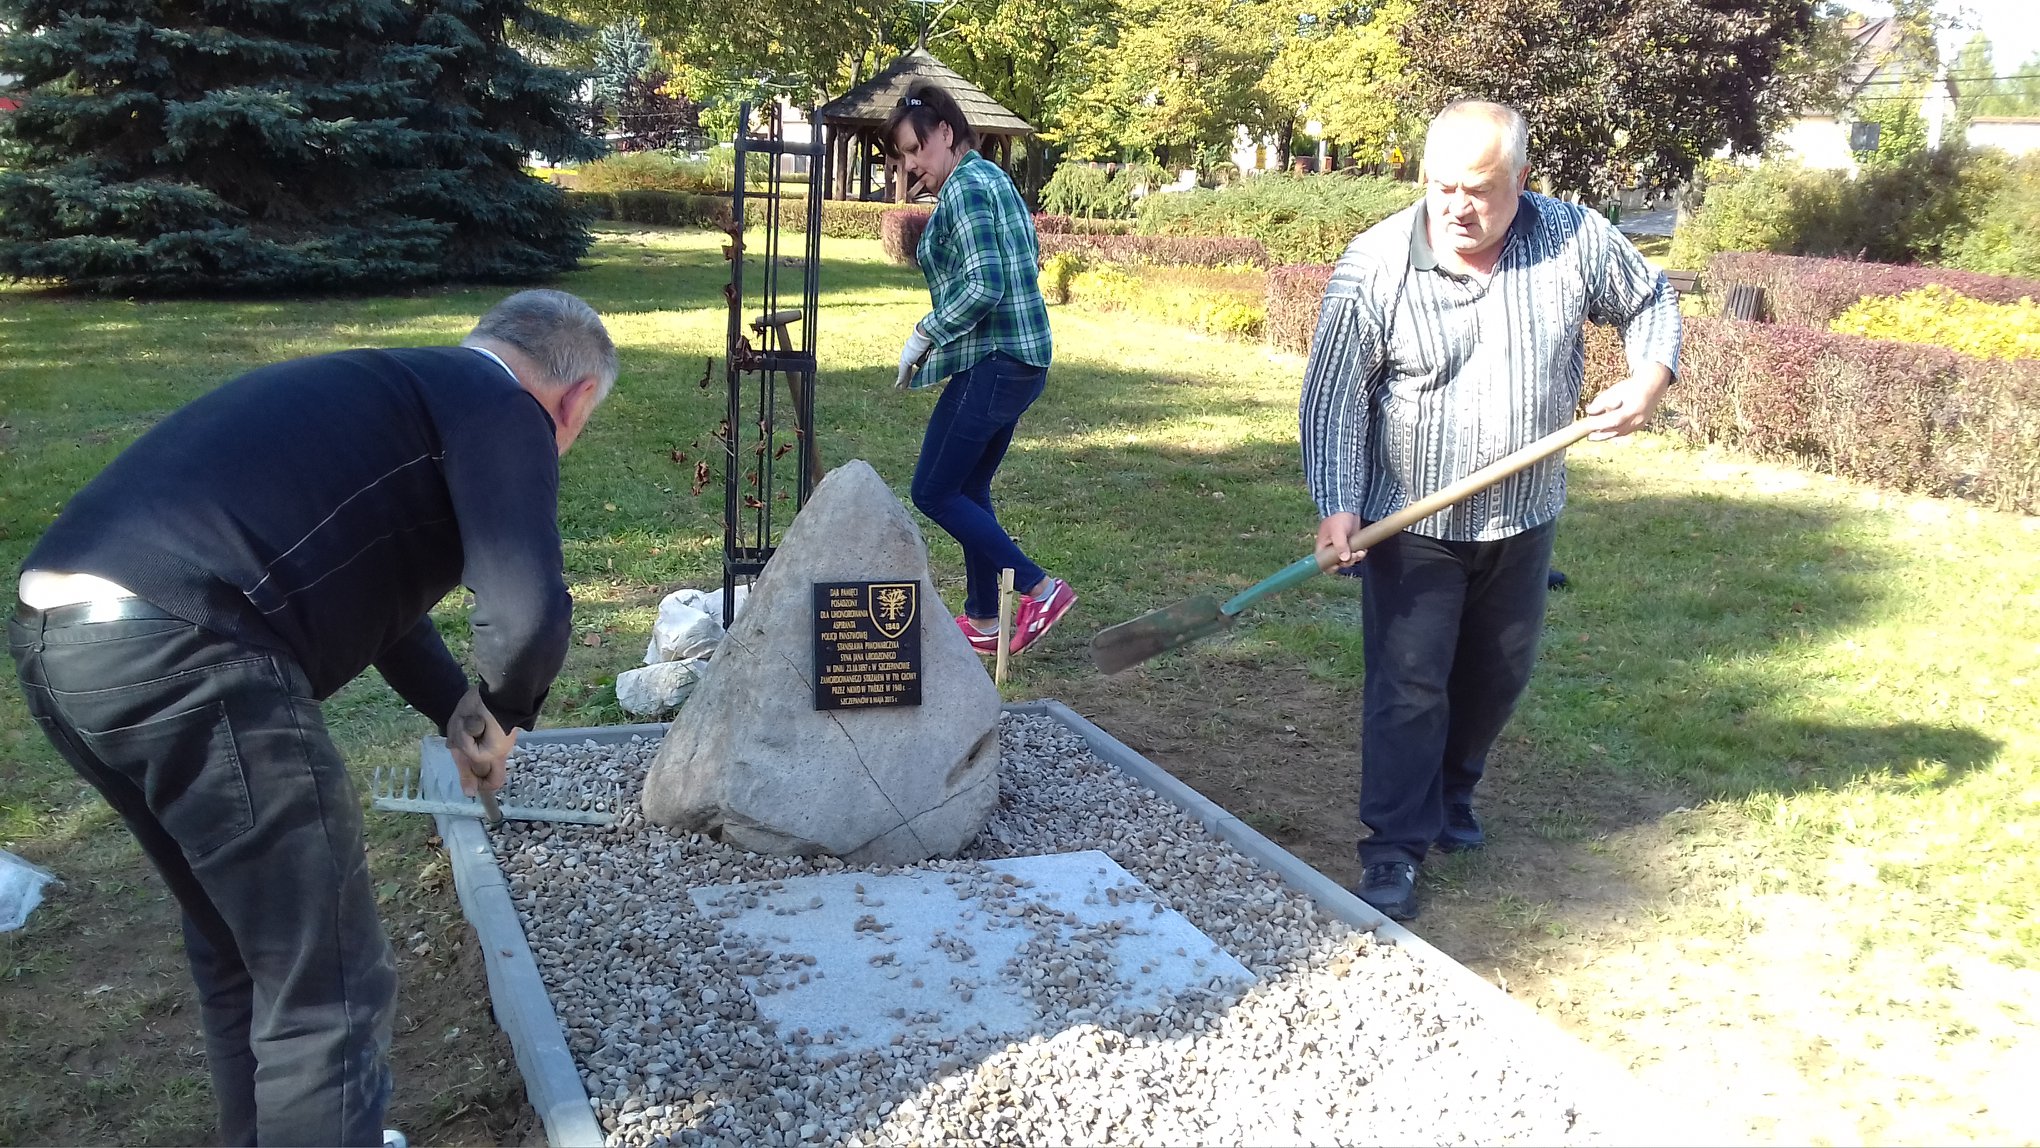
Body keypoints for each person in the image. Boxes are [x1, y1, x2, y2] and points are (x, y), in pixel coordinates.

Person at [8, 289, 618, 1145]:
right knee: (327, 988)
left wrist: (456, 708)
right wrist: (509, 712)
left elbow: (377, 594)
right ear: (577, 397)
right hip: (195, 655)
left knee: (245, 955)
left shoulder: (404, 390)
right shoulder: (505, 408)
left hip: (64, 649)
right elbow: (528, 614)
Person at [1298, 100, 1680, 922]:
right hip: (1409, 521)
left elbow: (1652, 302)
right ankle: (1394, 845)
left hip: (1526, 511)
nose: (1457, 207)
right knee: (1409, 686)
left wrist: (1647, 381)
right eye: (1441, 187)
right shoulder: (1375, 266)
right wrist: (1337, 505)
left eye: (1479, 189)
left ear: (1521, 180)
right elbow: (1334, 400)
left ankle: (1452, 792)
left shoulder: (1574, 239)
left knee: (1497, 676)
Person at [885, 82, 1075, 657]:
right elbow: (1021, 260)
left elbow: (985, 285)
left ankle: (1041, 588)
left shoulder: (967, 188)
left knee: (934, 490)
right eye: (903, 156)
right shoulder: (988, 179)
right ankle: (985, 618)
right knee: (968, 486)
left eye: (918, 148)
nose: (914, 163)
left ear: (946, 131)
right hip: (1018, 358)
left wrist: (925, 333)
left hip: (998, 362)